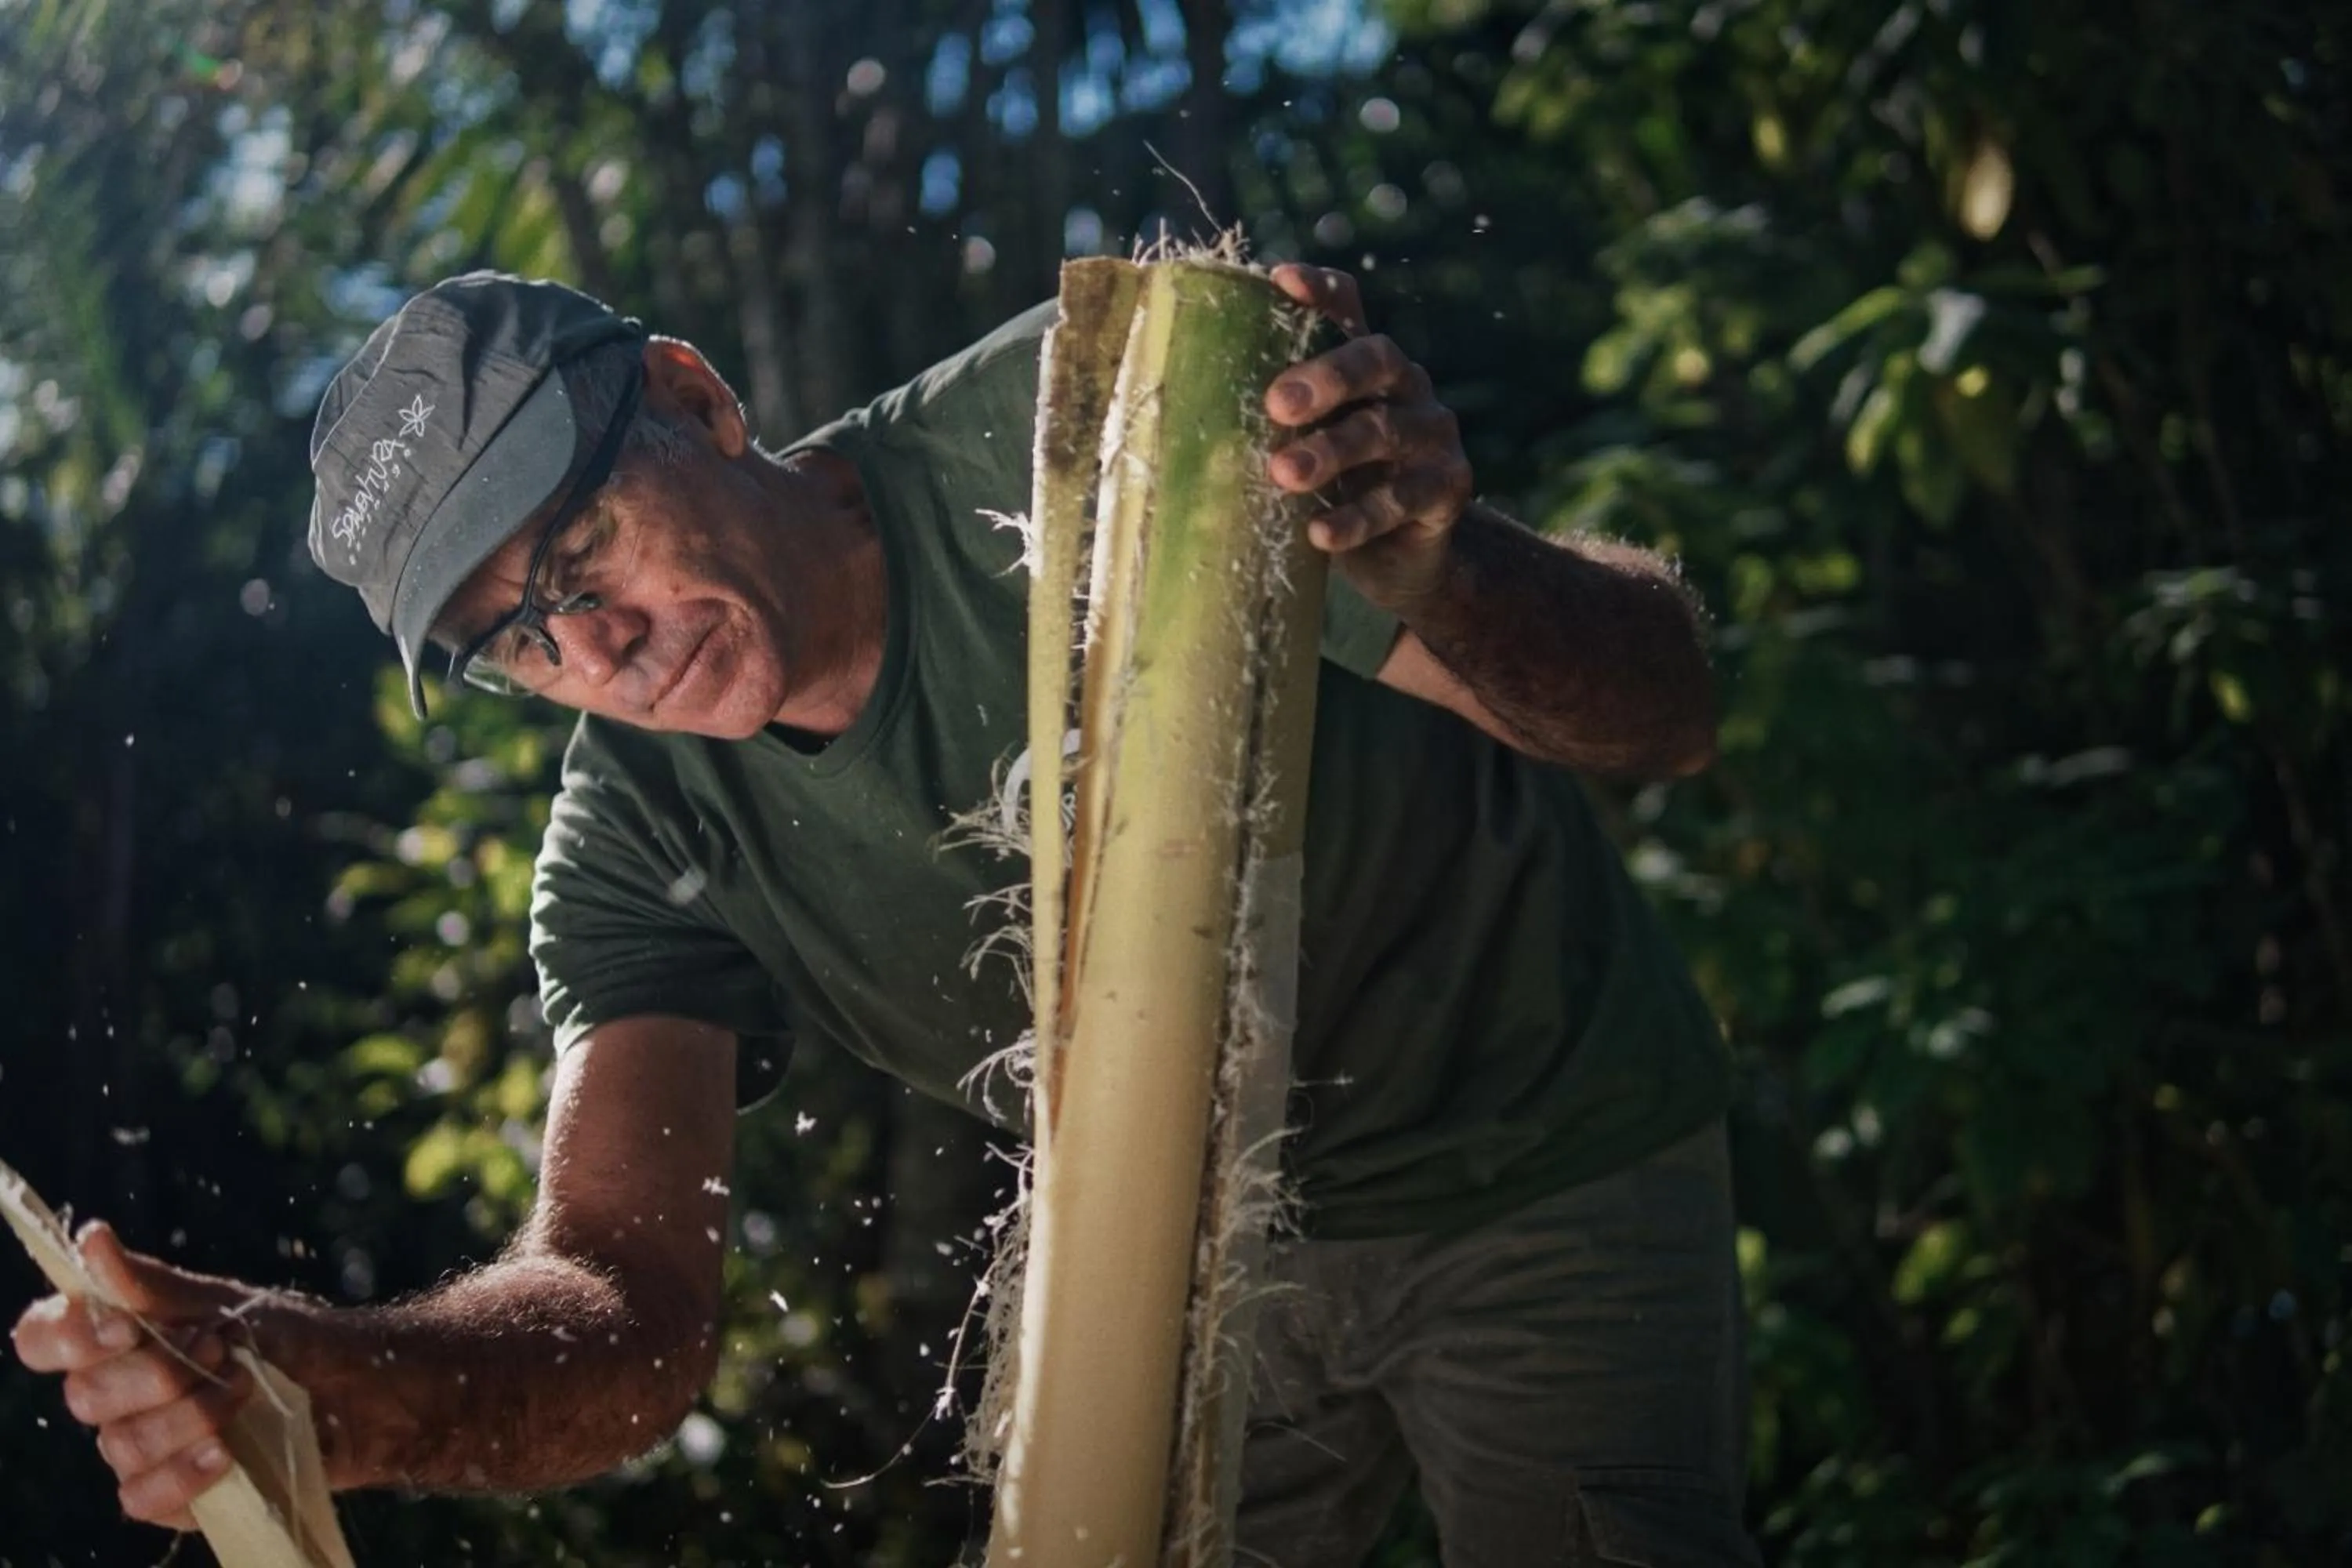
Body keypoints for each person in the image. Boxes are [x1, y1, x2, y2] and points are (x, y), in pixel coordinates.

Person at [12, 267, 1760, 1566]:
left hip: (1538, 1153)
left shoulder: (1089, 433)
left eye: (584, 546)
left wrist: (1443, 563)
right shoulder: (637, 833)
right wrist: (328, 1394)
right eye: (520, 641)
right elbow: (627, 1301)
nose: (598, 647)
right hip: (1180, 1258)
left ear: (697, 400)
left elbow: (1663, 715)